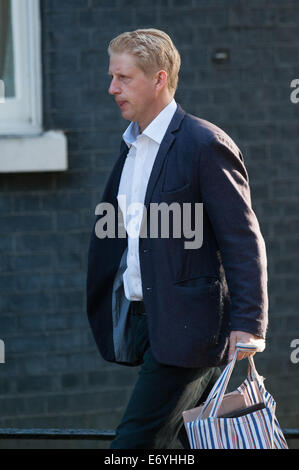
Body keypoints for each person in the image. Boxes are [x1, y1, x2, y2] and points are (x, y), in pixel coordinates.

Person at [86, 29, 268, 449]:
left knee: (132, 445)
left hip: (191, 329)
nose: (112, 88)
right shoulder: (131, 147)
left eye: (123, 78)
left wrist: (248, 324)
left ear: (159, 79)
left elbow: (242, 238)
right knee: (182, 443)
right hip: (146, 323)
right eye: (112, 76)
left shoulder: (204, 144)